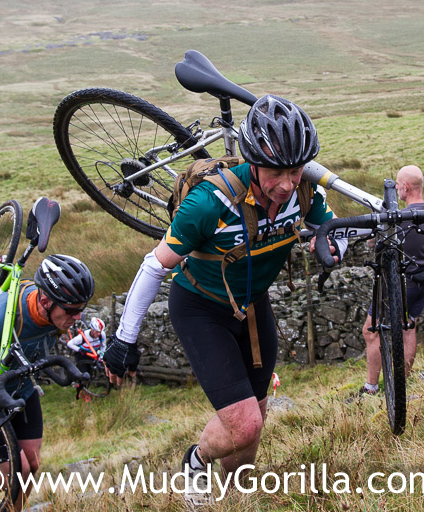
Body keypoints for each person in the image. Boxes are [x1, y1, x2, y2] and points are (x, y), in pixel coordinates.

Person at [102, 94, 346, 508]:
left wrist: (334, 245)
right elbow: (154, 266)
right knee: (245, 424)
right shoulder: (209, 203)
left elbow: (336, 229)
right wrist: (124, 340)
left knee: (256, 417)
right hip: (201, 309)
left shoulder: (304, 190)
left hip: (253, 307)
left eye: (294, 170)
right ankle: (196, 461)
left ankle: (237, 495)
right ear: (253, 160)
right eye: (275, 172)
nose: (287, 184)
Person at [0, 254, 94, 509]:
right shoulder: (1, 317)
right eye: (71, 310)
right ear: (45, 301)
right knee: (16, 469)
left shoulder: (57, 314)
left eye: (81, 309)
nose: (78, 317)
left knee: (32, 465)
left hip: (21, 388)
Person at [359, 165, 424, 396]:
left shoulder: (401, 220)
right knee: (408, 327)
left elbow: (373, 242)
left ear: (406, 187)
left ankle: (371, 387)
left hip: (400, 284)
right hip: (422, 279)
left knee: (371, 331)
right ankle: (401, 383)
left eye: (398, 185)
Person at [66, 317, 106, 399]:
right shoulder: (82, 337)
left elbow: (103, 346)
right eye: (97, 332)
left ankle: (84, 389)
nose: (98, 334)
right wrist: (79, 349)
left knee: (90, 374)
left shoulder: (102, 335)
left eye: (100, 332)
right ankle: (80, 393)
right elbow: (70, 344)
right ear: (92, 329)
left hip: (92, 354)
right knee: (84, 374)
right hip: (82, 355)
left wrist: (101, 356)